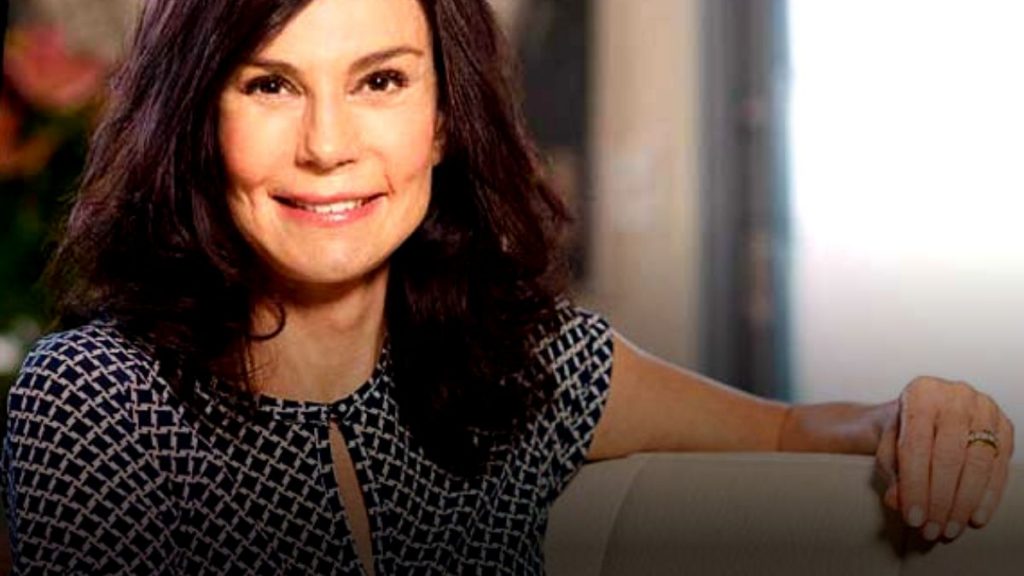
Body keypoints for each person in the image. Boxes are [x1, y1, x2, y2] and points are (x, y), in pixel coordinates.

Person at [0, 0, 1014, 574]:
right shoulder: (94, 401)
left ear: (443, 121)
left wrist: (926, 417)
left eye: (381, 81)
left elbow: (790, 432)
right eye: (270, 85)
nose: (327, 145)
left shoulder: (521, 368)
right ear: (197, 121)